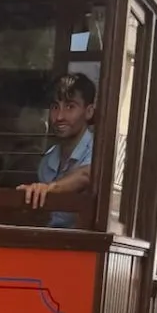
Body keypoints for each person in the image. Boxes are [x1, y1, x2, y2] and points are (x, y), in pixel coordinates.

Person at [17, 73, 96, 228]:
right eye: (55, 107)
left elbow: (87, 175)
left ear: (89, 111)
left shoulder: (97, 151)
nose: (59, 117)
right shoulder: (47, 162)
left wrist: (49, 189)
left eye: (70, 107)